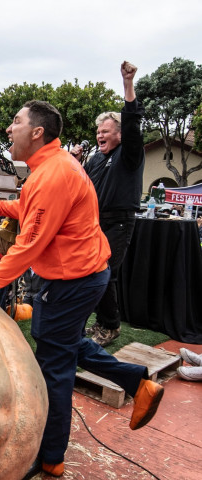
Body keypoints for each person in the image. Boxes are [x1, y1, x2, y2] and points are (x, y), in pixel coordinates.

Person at [0, 100, 163, 478]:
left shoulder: (52, 173)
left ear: (37, 132)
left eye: (16, 122)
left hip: (72, 280)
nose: (8, 129)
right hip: (82, 274)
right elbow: (34, 208)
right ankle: (137, 382)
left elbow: (29, 244)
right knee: (61, 341)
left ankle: (50, 456)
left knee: (54, 363)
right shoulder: (51, 167)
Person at [75, 62, 144, 347]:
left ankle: (111, 326)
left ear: (119, 134)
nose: (100, 135)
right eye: (98, 132)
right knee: (92, 270)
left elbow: (131, 120)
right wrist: (75, 161)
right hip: (95, 221)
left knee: (104, 272)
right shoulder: (97, 158)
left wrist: (127, 84)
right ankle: (102, 321)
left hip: (117, 221)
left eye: (105, 131)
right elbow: (82, 184)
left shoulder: (130, 153)